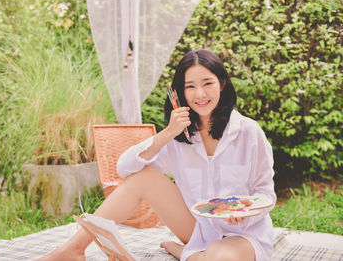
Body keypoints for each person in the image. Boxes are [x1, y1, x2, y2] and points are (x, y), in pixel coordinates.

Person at [37, 49, 276, 261]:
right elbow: (125, 169)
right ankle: (73, 249)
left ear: (222, 84)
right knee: (144, 177)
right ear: (180, 92)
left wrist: (245, 215)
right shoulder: (179, 137)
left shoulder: (248, 132)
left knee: (219, 256)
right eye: (190, 86)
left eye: (207, 83)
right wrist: (167, 133)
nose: (200, 94)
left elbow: (265, 194)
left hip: (243, 234)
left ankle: (186, 253)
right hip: (197, 229)